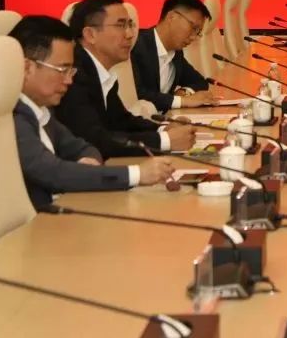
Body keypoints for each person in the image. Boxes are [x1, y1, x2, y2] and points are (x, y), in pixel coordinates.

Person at [9, 15, 176, 208]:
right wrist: (138, 174)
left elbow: (83, 147)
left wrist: (88, 162)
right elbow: (54, 172)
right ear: (27, 68)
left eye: (71, 71)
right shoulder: (12, 118)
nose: (68, 81)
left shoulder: (41, 110)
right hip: (42, 223)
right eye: (62, 70)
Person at [58, 0, 195, 158]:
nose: (130, 34)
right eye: (120, 25)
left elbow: (121, 121)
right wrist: (165, 141)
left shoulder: (99, 71)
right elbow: (94, 140)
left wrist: (163, 128)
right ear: (90, 35)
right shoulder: (73, 75)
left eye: (130, 25)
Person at [132, 0, 218, 113]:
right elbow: (136, 95)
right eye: (193, 28)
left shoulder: (176, 53)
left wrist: (184, 92)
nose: (194, 37)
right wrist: (182, 101)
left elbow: (200, 82)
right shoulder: (136, 47)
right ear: (171, 17)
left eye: (198, 32)